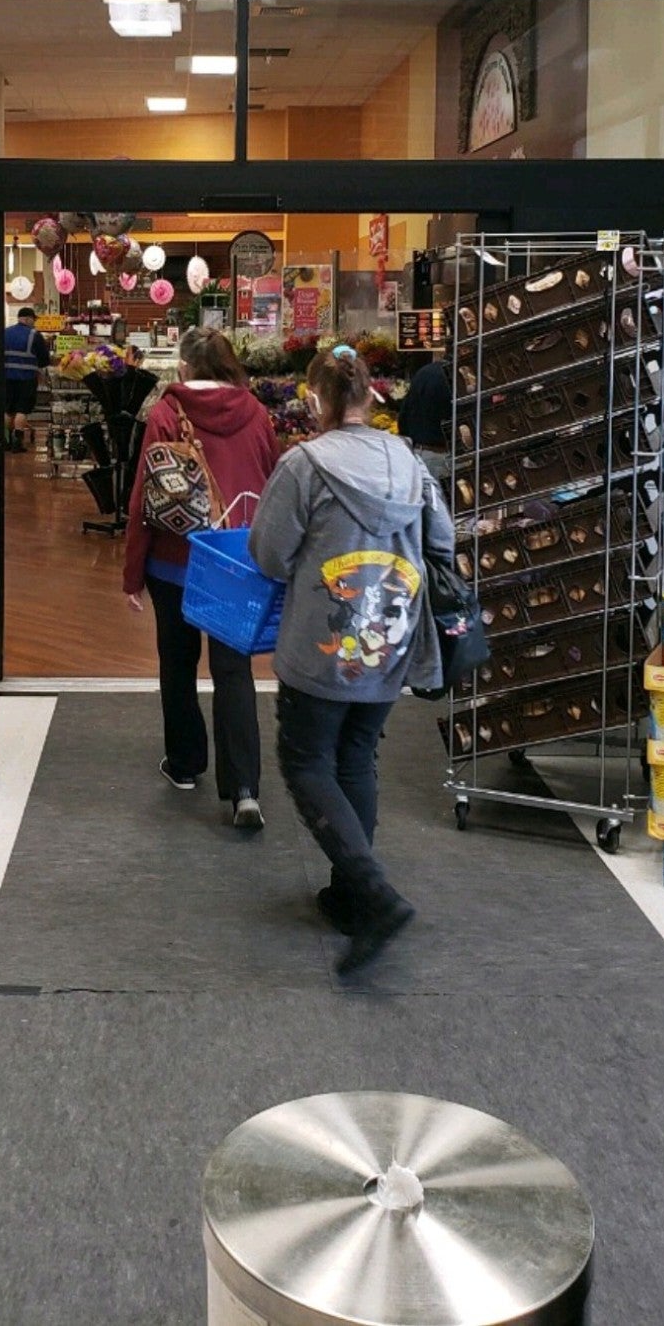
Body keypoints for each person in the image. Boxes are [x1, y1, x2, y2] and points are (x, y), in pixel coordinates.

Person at [249, 346, 455, 976]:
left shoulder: (304, 465)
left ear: (315, 400)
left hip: (323, 640)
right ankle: (349, 895)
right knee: (357, 756)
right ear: (372, 396)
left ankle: (373, 891)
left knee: (306, 760)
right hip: (392, 637)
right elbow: (443, 541)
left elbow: (269, 555)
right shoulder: (409, 461)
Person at [123, 327, 280, 829]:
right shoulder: (256, 412)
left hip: (175, 558)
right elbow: (273, 480)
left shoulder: (168, 412)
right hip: (236, 558)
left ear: (185, 367)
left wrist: (133, 572)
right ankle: (244, 789)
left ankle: (185, 763)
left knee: (178, 661)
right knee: (233, 669)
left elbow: (144, 497)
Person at [397, 351, 453, 486]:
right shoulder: (461, 378)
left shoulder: (423, 373)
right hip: (452, 455)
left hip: (422, 453)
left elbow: (404, 417)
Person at [4, 305, 50, 452]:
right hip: (27, 378)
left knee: (8, 410)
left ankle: (6, 441)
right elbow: (44, 360)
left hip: (6, 377)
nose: (34, 323)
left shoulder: (5, 332)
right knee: (22, 409)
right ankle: (17, 442)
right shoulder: (34, 335)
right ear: (28, 319)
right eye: (33, 320)